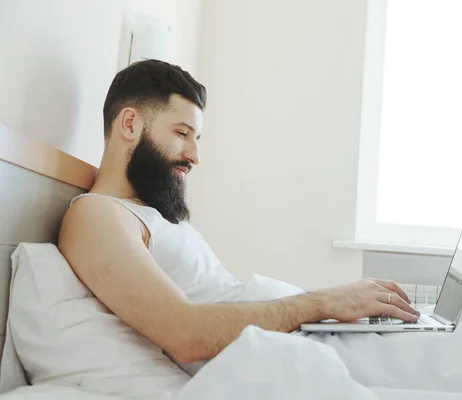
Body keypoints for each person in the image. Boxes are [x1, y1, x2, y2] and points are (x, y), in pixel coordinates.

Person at [57, 59, 420, 364]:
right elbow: (184, 333)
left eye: (195, 139)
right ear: (130, 124)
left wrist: (329, 309)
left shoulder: (148, 212)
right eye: (182, 133)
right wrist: (325, 301)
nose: (194, 156)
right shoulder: (96, 214)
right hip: (295, 354)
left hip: (307, 339)